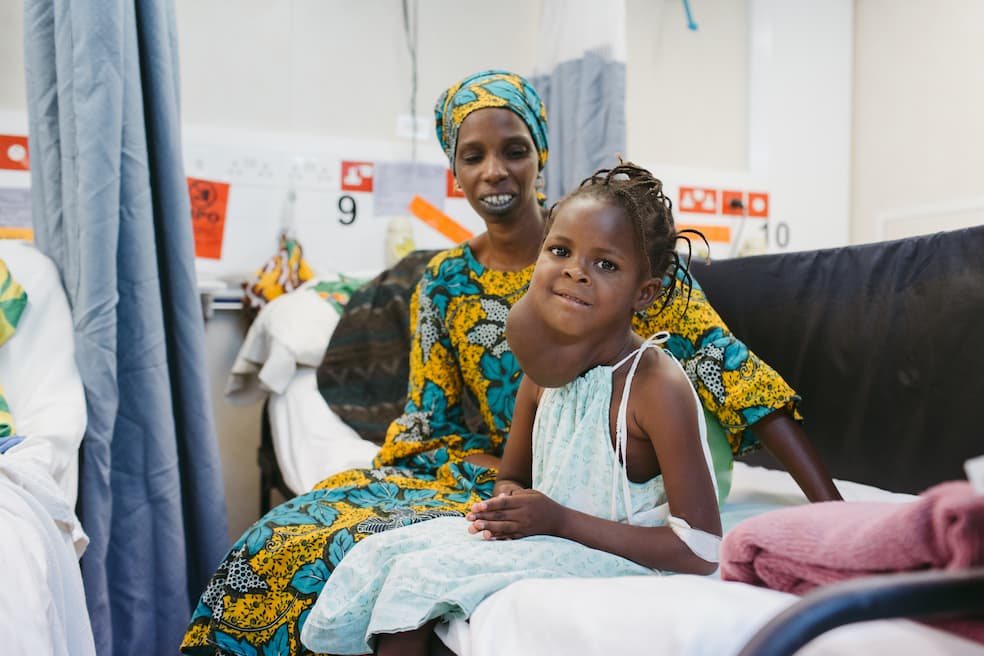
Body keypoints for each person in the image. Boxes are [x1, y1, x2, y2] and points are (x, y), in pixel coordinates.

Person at [180, 69, 838, 656]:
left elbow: (731, 370)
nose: (495, 171)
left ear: (540, 156)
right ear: (455, 170)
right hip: (477, 477)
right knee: (282, 540)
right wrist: (502, 486)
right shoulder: (445, 282)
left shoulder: (612, 249)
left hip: (589, 484)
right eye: (474, 156)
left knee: (374, 560)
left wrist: (832, 515)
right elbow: (427, 419)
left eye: (513, 150)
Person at [300, 161, 723, 656]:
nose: (574, 271)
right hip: (549, 536)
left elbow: (701, 550)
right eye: (560, 250)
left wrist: (558, 521)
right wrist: (508, 505)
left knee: (419, 580)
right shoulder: (542, 371)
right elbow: (514, 474)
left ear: (644, 293)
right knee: (380, 555)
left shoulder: (653, 386)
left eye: (605, 264)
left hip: (623, 559)